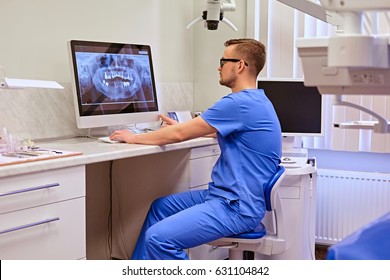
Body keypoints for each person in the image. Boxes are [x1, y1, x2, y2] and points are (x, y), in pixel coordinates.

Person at [109, 38, 282, 260]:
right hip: (228, 197)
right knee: (160, 207)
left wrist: (133, 138)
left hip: (236, 207)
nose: (218, 67)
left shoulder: (238, 103)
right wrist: (183, 127)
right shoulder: (258, 101)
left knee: (158, 238)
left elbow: (179, 135)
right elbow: (217, 130)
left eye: (223, 60)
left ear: (240, 65)